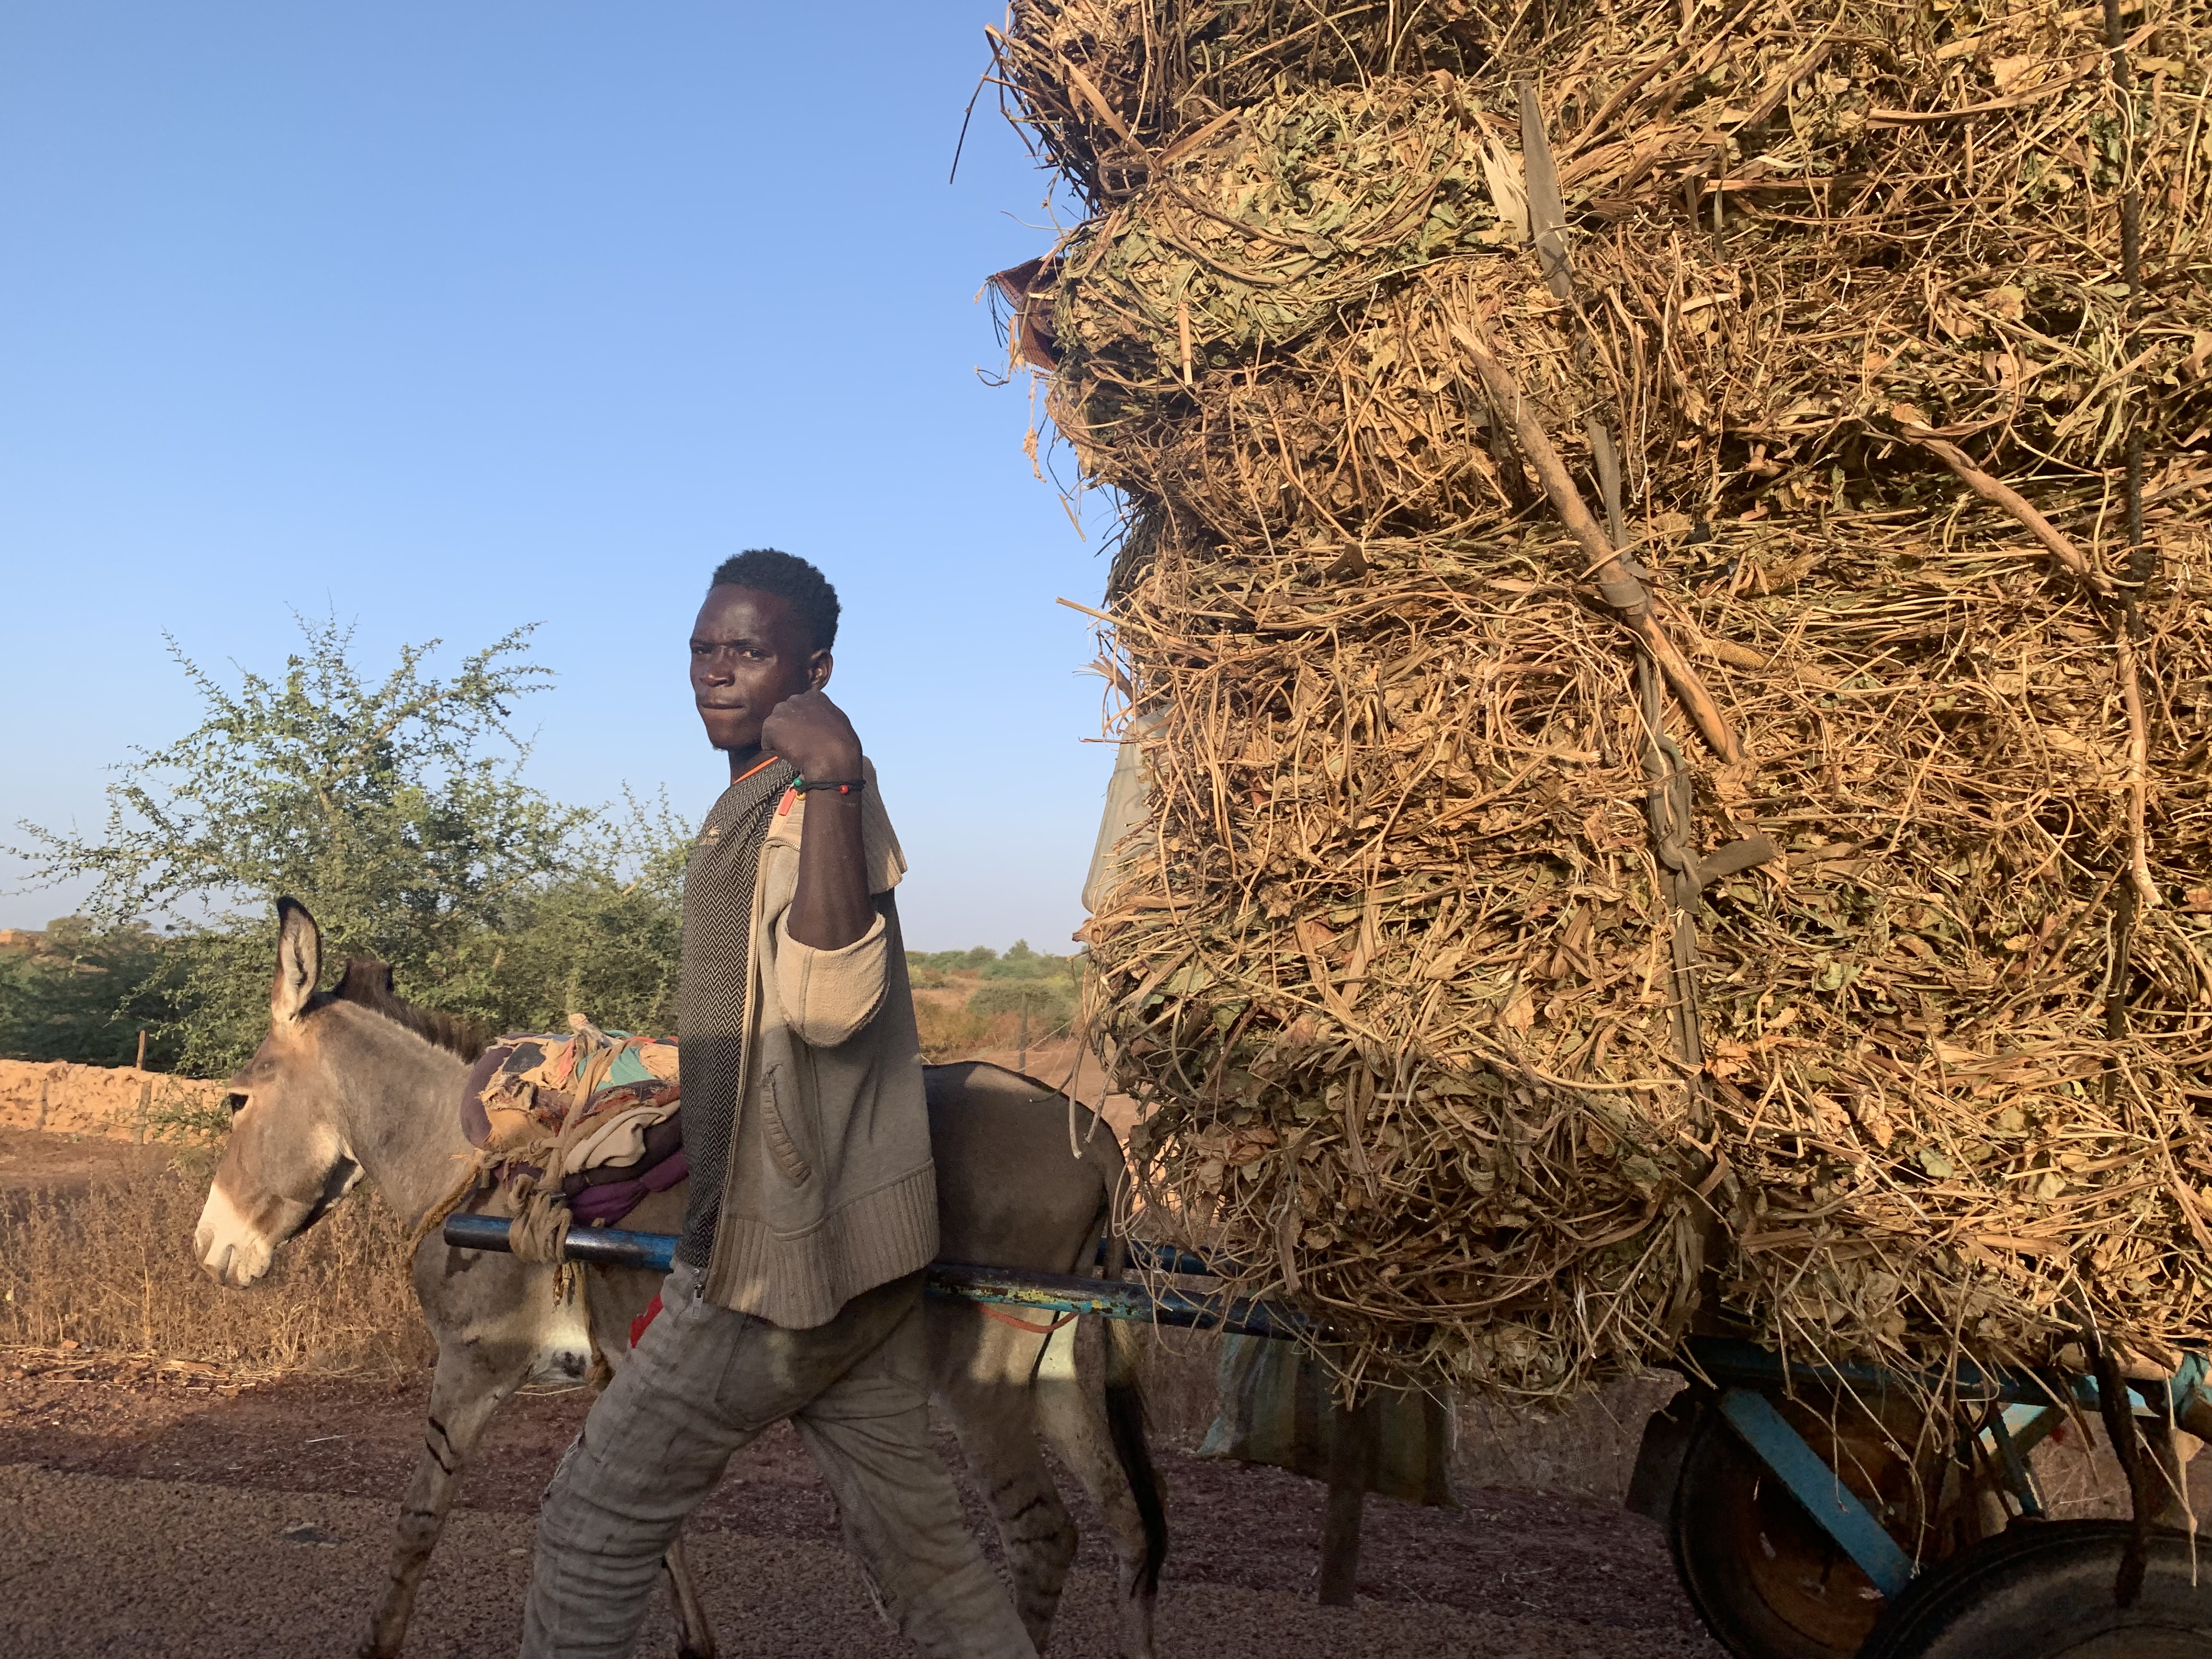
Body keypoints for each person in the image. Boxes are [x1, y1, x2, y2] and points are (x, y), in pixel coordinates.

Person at [521, 549, 1036, 1658]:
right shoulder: (750, 799)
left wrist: (841, 772)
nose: (715, 670)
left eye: (746, 651)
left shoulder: (812, 801)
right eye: (704, 648)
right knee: (933, 1565)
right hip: (865, 1259)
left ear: (814, 669)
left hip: (776, 1270)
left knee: (590, 1529)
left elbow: (832, 1005)